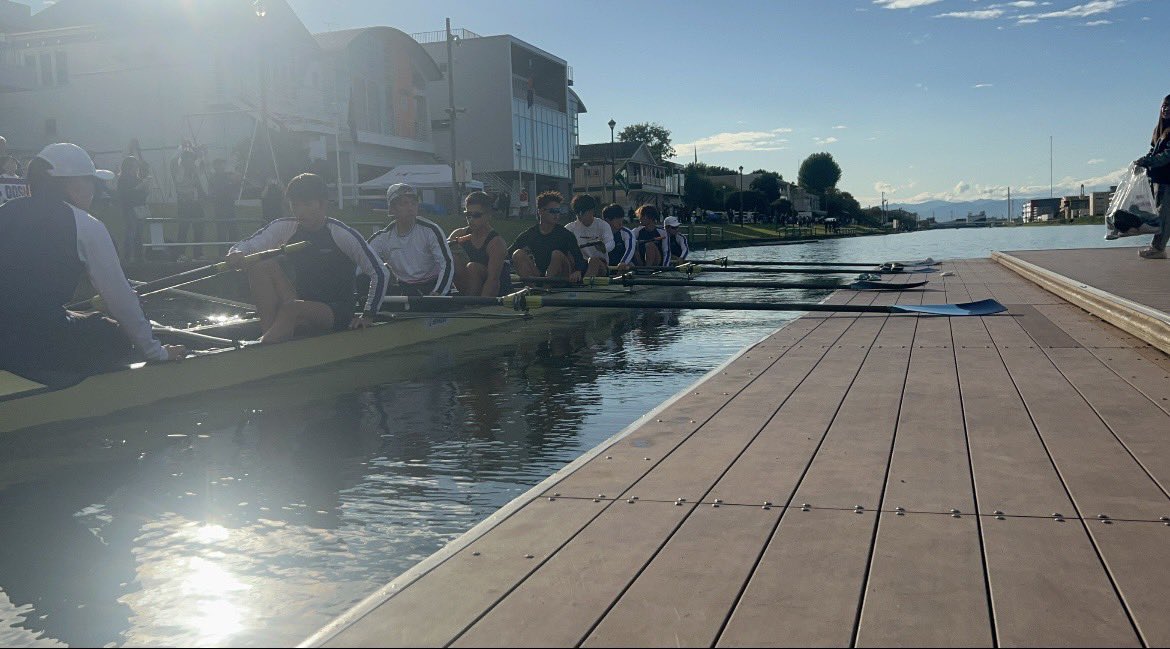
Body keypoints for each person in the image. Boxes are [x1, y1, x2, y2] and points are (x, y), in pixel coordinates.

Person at [0, 143, 185, 384]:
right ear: (70, 184)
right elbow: (120, 299)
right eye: (92, 184)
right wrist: (156, 352)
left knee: (78, 315)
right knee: (113, 333)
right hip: (31, 347)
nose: (95, 192)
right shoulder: (86, 225)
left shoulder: (5, 211)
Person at [226, 173, 387, 344]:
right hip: (300, 301)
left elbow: (380, 272)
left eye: (307, 204)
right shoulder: (286, 227)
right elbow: (249, 245)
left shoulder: (341, 234)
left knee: (291, 309)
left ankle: (263, 347)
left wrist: (369, 314)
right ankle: (271, 338)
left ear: (323, 204)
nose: (300, 211)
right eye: (295, 205)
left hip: (336, 311)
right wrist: (236, 253)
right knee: (261, 266)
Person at [367, 183, 455, 296]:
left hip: (433, 286)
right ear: (392, 209)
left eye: (413, 203)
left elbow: (447, 263)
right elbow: (361, 259)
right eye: (404, 203)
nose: (410, 208)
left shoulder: (431, 230)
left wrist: (438, 292)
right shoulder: (382, 238)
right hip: (405, 289)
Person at [508, 190, 587, 283]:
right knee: (518, 254)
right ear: (541, 211)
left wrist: (578, 271)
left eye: (558, 211)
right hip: (540, 275)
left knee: (556, 254)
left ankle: (545, 289)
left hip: (562, 276)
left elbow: (579, 259)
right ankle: (533, 290)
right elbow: (508, 253)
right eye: (553, 211)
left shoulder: (565, 234)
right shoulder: (531, 233)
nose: (557, 214)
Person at [447, 191, 511, 297]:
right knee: (451, 259)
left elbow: (493, 280)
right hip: (469, 287)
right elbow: (440, 254)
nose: (471, 219)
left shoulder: (496, 243)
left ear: (488, 215)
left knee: (473, 267)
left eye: (476, 215)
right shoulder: (458, 234)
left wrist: (480, 309)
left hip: (495, 292)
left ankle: (470, 303)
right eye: (468, 215)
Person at [1134, 94, 1170, 259]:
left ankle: (1158, 248)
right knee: (1162, 214)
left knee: (1164, 215)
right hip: (1158, 179)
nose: (1166, 109)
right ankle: (1158, 247)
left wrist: (1148, 161)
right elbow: (1153, 151)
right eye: (1164, 105)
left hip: (1167, 179)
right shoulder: (1159, 130)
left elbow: (1167, 155)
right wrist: (1143, 161)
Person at [169, 142, 208, 259]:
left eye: (192, 158)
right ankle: (180, 254)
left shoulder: (194, 172)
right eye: (188, 158)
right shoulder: (178, 171)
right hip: (183, 204)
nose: (191, 161)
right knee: (183, 229)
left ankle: (198, 253)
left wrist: (201, 152)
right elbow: (173, 160)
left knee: (199, 226)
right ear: (184, 160)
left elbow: (200, 185)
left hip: (194, 204)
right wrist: (182, 147)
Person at [564, 194, 614, 277]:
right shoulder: (569, 228)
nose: (580, 217)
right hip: (579, 266)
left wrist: (603, 247)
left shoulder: (602, 225)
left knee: (593, 260)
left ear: (592, 211)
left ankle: (585, 286)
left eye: (583, 213)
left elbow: (611, 243)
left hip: (600, 265)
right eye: (578, 214)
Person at [117, 156, 151, 262]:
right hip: (129, 209)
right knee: (131, 233)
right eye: (134, 165)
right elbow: (125, 195)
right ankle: (128, 257)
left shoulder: (137, 179)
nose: (136, 168)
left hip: (138, 208)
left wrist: (146, 189)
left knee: (139, 234)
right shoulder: (123, 179)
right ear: (128, 167)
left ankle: (138, 256)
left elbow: (142, 196)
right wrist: (139, 188)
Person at [208, 158, 240, 244]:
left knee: (233, 231)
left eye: (222, 164)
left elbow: (235, 189)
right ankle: (222, 253)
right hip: (219, 208)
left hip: (230, 207)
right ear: (215, 166)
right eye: (218, 164)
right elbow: (211, 194)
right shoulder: (212, 179)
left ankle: (232, 252)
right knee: (221, 232)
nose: (221, 166)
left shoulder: (229, 177)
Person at [603, 203, 635, 271]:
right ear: (607, 220)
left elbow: (630, 249)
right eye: (616, 218)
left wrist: (623, 262)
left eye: (621, 217)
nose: (620, 221)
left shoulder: (627, 233)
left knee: (629, 264)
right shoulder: (600, 233)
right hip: (606, 266)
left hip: (622, 267)